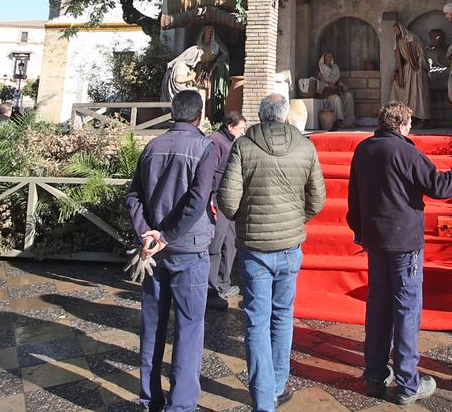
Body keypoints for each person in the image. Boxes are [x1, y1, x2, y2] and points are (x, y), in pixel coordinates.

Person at [346, 102, 452, 404]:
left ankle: (375, 374)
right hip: (404, 243)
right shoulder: (406, 151)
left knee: (378, 307)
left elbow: (354, 195)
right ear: (403, 125)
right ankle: (407, 382)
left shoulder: (364, 150)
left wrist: (360, 230)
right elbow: (439, 186)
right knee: (406, 308)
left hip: (375, 240)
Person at [218, 95, 326, 412]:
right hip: (289, 246)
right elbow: (317, 199)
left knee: (256, 322)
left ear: (260, 115)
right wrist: (294, 220)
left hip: (254, 249)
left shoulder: (243, 146)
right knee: (282, 317)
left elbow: (227, 201)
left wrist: (249, 220)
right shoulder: (306, 147)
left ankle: (264, 399)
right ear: (284, 117)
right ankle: (277, 385)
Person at [126, 89, 216, 412]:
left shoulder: (152, 146)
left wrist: (146, 234)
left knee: (152, 325)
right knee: (189, 327)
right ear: (200, 116)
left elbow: (133, 196)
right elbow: (197, 202)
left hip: (154, 252)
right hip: (188, 250)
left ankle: (150, 400)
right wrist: (165, 235)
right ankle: (181, 405)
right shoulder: (205, 148)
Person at [206, 109, 248, 310]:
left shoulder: (232, 142)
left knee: (230, 242)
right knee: (215, 245)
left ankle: (224, 282)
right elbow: (209, 174)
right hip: (218, 202)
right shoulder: (216, 142)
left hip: (231, 202)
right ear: (230, 127)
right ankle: (210, 289)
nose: (243, 132)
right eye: (240, 128)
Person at [387, 23, 430, 126]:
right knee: (397, 88)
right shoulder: (398, 42)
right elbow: (399, 59)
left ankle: (423, 118)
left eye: (397, 30)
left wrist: (420, 67)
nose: (396, 33)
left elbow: (421, 54)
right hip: (405, 71)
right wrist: (396, 71)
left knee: (417, 94)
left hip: (416, 70)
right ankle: (403, 117)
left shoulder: (413, 39)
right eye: (395, 31)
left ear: (401, 29)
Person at [314, 51, 355, 127]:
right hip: (326, 95)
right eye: (327, 57)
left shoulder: (335, 68)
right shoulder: (320, 68)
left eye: (330, 57)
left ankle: (348, 122)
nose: (329, 58)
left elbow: (337, 81)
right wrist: (327, 85)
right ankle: (338, 121)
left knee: (348, 95)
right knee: (336, 99)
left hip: (336, 92)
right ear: (324, 58)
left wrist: (343, 86)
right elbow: (314, 81)